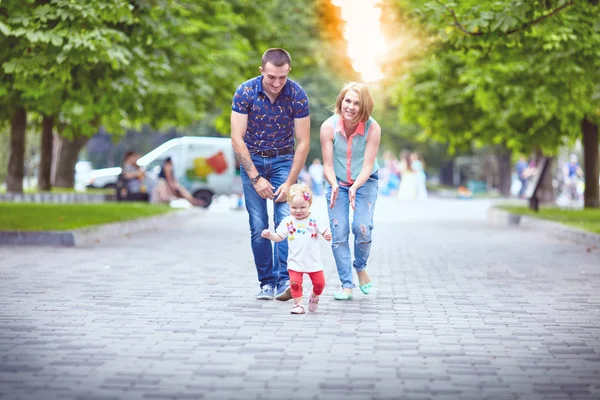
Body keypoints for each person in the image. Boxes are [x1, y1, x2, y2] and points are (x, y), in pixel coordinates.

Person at [230, 48, 311, 301]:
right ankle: (266, 282)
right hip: (252, 160)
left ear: (288, 72)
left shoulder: (297, 94)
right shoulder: (245, 92)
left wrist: (289, 182)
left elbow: (304, 142)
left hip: (283, 160)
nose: (277, 83)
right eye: (272, 77)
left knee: (287, 221)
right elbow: (236, 138)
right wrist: (255, 177)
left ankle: (284, 280)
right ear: (262, 70)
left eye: (282, 78)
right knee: (258, 226)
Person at [320, 82, 381, 301]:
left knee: (362, 228)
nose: (351, 107)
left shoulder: (373, 128)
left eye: (357, 103)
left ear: (364, 106)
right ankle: (347, 285)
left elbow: (367, 165)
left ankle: (360, 266)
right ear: (341, 101)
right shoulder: (328, 127)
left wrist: (355, 186)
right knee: (339, 233)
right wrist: (334, 184)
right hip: (336, 184)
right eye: (348, 101)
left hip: (365, 182)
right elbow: (327, 165)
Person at [261, 183, 332, 314]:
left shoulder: (314, 220)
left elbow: (325, 230)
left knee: (320, 284)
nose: (298, 211)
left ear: (309, 204)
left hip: (313, 261)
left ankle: (314, 296)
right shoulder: (288, 221)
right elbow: (279, 237)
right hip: (295, 261)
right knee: (294, 283)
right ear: (288, 204)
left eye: (302, 207)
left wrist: (327, 235)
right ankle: (298, 304)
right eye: (294, 207)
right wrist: (270, 235)